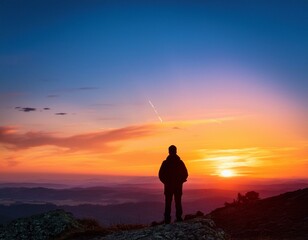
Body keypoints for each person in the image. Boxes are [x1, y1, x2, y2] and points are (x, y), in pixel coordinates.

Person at [159, 145, 188, 224]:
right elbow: (185, 174)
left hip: (168, 187)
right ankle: (178, 218)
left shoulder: (165, 163)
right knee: (177, 202)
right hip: (177, 187)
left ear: (169, 151)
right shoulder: (180, 162)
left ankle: (167, 220)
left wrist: (166, 182)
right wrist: (181, 181)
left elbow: (160, 175)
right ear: (176, 151)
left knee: (168, 203)